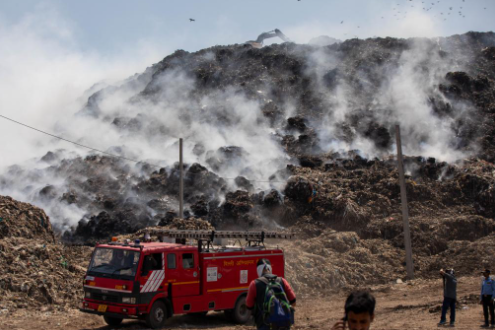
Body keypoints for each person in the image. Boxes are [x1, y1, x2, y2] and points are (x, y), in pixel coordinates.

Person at [246, 259, 296, 330]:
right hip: (283, 324)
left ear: (258, 270)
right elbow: (293, 300)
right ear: (270, 268)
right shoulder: (282, 281)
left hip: (264, 324)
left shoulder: (254, 284)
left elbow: (249, 305)